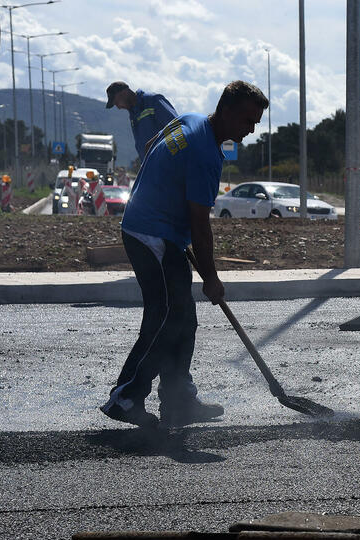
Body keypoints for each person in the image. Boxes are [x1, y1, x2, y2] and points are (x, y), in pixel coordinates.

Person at [100, 80, 269, 428]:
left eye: (256, 123)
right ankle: (126, 397)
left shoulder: (190, 120)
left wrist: (162, 184)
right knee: (165, 319)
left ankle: (178, 400)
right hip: (152, 235)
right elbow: (199, 225)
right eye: (247, 120)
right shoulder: (205, 155)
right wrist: (211, 278)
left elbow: (151, 144)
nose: (250, 130)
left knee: (182, 318)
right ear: (225, 111)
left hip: (150, 228)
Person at [106, 81, 179, 164]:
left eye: (117, 102)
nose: (118, 107)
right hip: (151, 165)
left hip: (168, 162)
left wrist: (153, 143)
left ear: (124, 93)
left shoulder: (153, 100)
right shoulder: (133, 114)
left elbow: (176, 126)